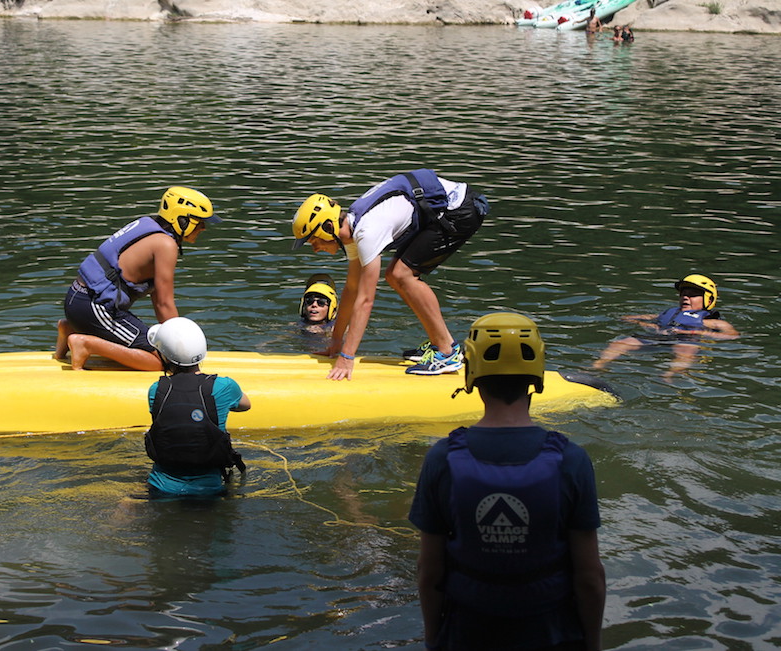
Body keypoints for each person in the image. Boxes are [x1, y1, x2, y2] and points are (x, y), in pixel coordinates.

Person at [409, 312, 606, 651]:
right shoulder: (571, 459)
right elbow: (589, 577)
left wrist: (432, 639)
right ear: (538, 376)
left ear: (470, 374)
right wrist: (592, 644)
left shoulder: (441, 458)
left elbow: (430, 572)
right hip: (552, 633)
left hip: (467, 632)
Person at [291, 169, 489, 379]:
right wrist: (336, 344)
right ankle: (439, 344)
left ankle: (447, 352)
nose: (315, 249)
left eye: (314, 241)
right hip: (445, 210)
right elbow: (351, 290)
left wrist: (346, 358)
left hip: (460, 210)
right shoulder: (352, 230)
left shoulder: (367, 232)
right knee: (396, 275)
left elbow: (366, 300)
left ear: (328, 227)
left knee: (401, 275)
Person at [56, 187, 221, 371]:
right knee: (158, 362)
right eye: (199, 222)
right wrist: (180, 356)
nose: (203, 228)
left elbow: (158, 299)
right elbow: (164, 304)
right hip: (95, 308)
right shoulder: (166, 245)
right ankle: (85, 343)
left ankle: (71, 328)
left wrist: (173, 343)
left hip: (77, 299)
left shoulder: (148, 225)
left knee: (161, 350)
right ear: (182, 220)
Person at [144, 317, 251, 497]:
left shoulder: (156, 390)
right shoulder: (224, 386)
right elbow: (245, 405)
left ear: (164, 355)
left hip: (160, 488)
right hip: (210, 491)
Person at [592, 274, 739, 380]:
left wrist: (694, 331)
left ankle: (669, 375)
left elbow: (733, 335)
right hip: (658, 337)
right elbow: (640, 317)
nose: (686, 297)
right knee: (620, 343)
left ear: (709, 299)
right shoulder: (667, 313)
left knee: (687, 350)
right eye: (683, 294)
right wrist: (639, 323)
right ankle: (599, 365)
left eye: (693, 295)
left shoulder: (710, 321)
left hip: (686, 339)